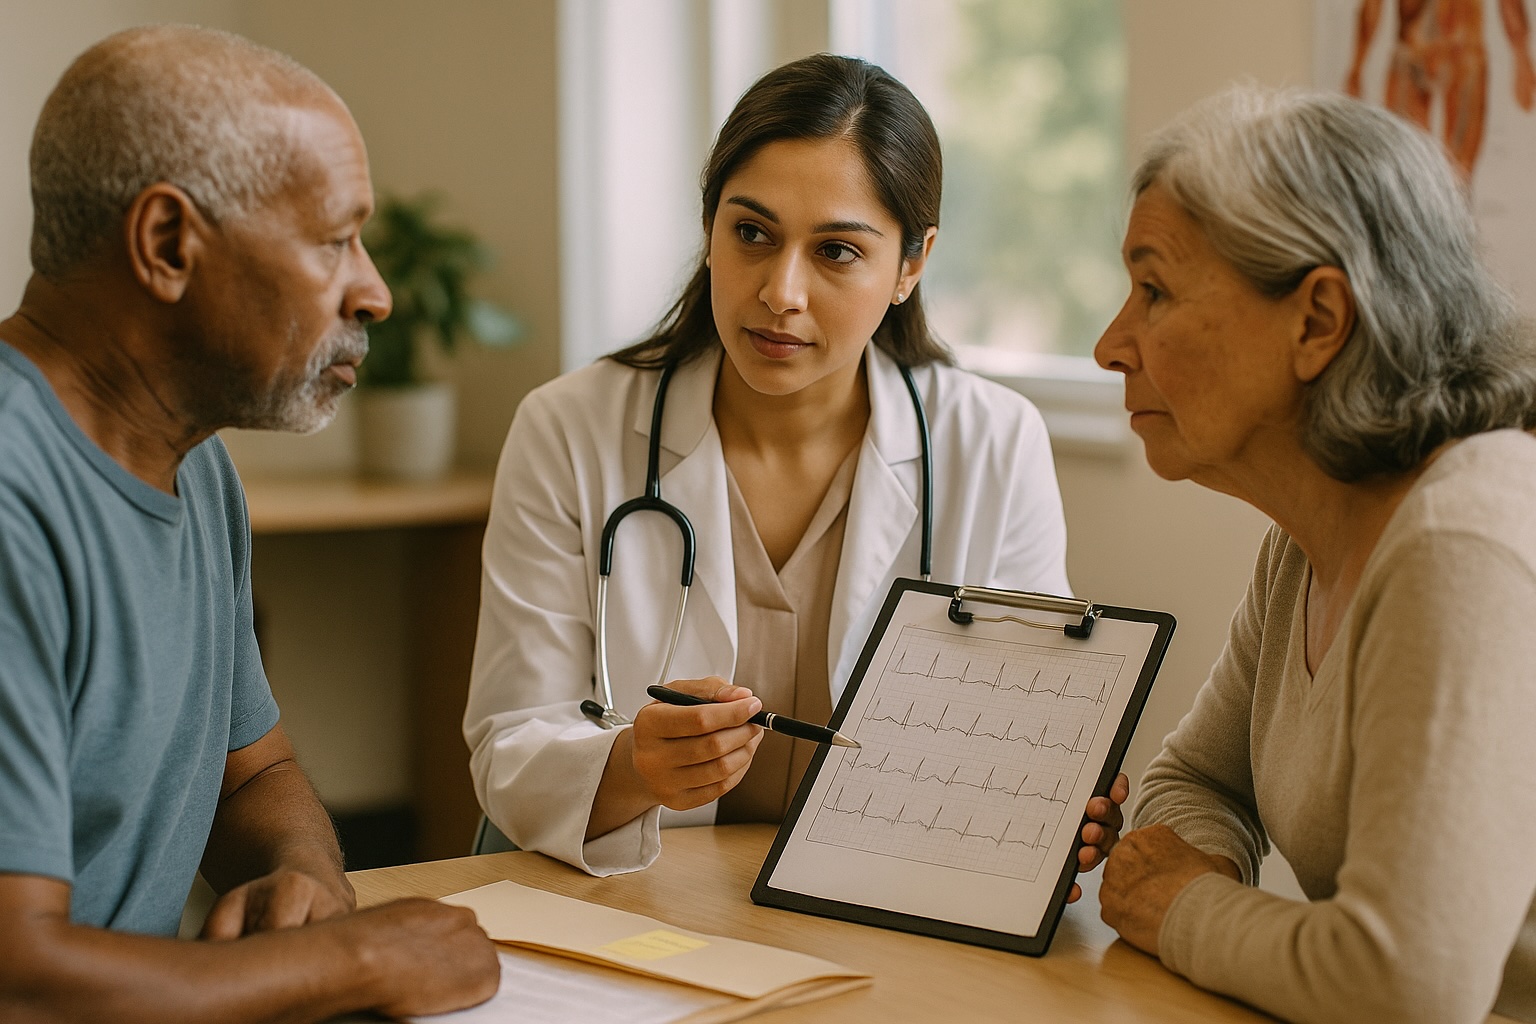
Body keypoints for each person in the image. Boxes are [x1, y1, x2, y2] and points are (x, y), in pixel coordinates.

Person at [464, 54, 1071, 876]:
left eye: (836, 252)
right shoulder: (569, 428)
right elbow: (510, 746)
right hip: (638, 906)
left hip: (875, 904)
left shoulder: (994, 445)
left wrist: (1051, 804)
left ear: (912, 264)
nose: (781, 291)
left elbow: (1023, 749)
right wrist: (633, 767)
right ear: (710, 230)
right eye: (752, 233)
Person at [0, 25, 499, 1022]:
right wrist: (357, 961)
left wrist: (301, 869)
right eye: (332, 241)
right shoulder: (14, 494)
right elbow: (19, 982)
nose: (376, 290)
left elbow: (253, 771)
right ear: (168, 245)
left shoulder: (199, 466)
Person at [1086, 86, 1536, 1023]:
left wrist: (1181, 904)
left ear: (1317, 321)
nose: (1109, 346)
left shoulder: (1466, 538)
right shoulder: (1306, 538)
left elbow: (1406, 984)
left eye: (1156, 290)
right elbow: (1193, 781)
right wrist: (1199, 867)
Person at [1345, 0, 1536, 177]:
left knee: (1459, 174)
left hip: (1462, 52)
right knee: (1404, 164)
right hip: (1413, 51)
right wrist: (1356, 66)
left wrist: (1522, 57)